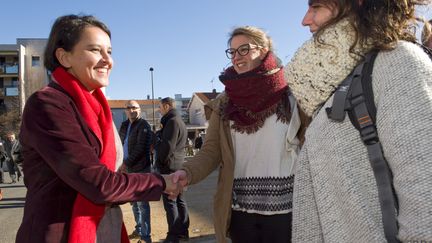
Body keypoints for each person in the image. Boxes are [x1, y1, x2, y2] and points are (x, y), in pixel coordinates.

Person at [16, 14, 179, 243]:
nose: (107, 60)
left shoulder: (99, 110)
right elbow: (99, 183)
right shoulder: (47, 105)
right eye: (95, 50)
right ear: (64, 57)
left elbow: (112, 180)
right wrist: (161, 182)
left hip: (105, 230)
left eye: (109, 52)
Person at [284, 0, 432, 242]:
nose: (305, 20)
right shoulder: (328, 91)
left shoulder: (397, 63)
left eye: (316, 6)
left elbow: (426, 210)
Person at [170, 26, 301, 243]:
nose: (237, 57)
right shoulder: (225, 103)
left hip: (289, 212)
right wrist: (188, 173)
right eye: (232, 52)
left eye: (244, 49)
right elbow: (211, 150)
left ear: (264, 49)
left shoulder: (291, 95)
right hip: (242, 214)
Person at [156, 97, 190, 243]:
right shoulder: (178, 120)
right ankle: (183, 232)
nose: (159, 110)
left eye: (160, 107)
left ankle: (174, 235)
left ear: (167, 106)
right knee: (180, 201)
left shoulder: (172, 121)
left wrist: (159, 162)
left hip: (169, 167)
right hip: (178, 165)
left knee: (171, 202)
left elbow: (167, 147)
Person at [119, 100, 153, 243]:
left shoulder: (143, 125)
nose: (132, 110)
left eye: (135, 107)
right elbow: (119, 144)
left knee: (142, 204)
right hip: (127, 169)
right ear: (125, 111)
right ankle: (139, 229)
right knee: (133, 202)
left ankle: (146, 237)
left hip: (141, 169)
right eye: (129, 108)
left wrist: (125, 163)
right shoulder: (124, 125)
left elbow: (140, 149)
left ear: (139, 110)